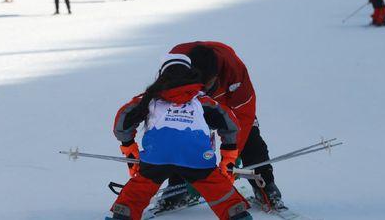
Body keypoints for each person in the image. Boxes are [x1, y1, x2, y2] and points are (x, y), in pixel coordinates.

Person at [109, 54, 252, 220]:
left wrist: (128, 147)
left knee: (141, 187)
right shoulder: (201, 99)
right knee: (215, 186)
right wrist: (229, 154)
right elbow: (229, 123)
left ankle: (123, 215)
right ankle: (236, 213)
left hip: (157, 156)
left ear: (161, 75)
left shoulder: (150, 98)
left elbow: (123, 119)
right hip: (195, 156)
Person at [164, 42, 287, 211]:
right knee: (180, 137)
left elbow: (244, 116)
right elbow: (164, 115)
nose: (203, 90)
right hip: (188, 107)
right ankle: (178, 187)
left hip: (227, 104)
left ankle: (264, 185)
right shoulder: (174, 66)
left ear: (215, 76)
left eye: (206, 85)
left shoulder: (234, 70)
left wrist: (231, 156)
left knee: (250, 135)